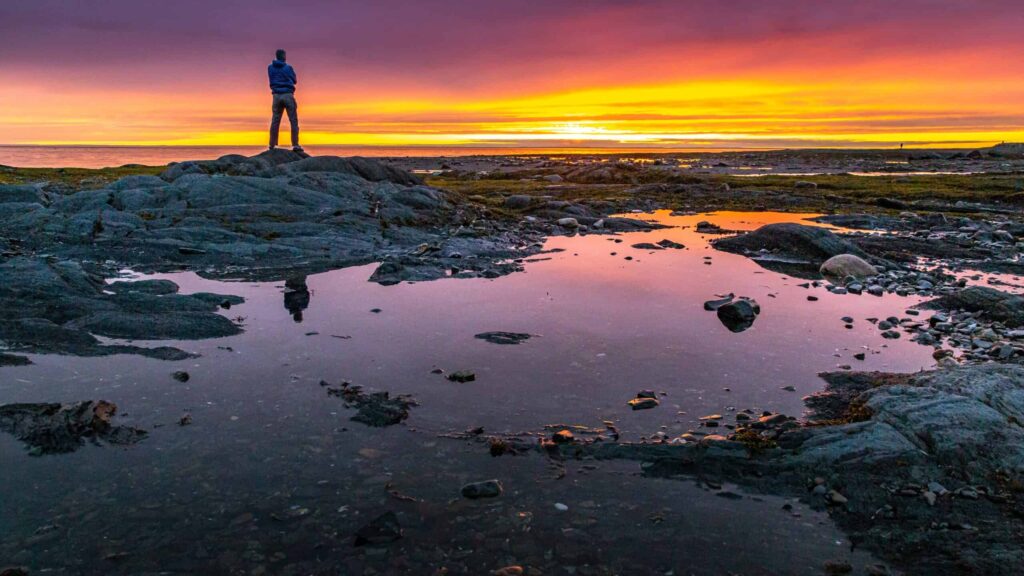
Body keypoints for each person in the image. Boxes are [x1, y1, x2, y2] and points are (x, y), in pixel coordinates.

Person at [268, 49, 302, 152]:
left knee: (275, 120)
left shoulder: (270, 68)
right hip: (287, 94)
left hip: (276, 96)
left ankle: (272, 145)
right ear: (283, 56)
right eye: (285, 55)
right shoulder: (288, 68)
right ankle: (295, 145)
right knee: (293, 120)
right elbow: (295, 80)